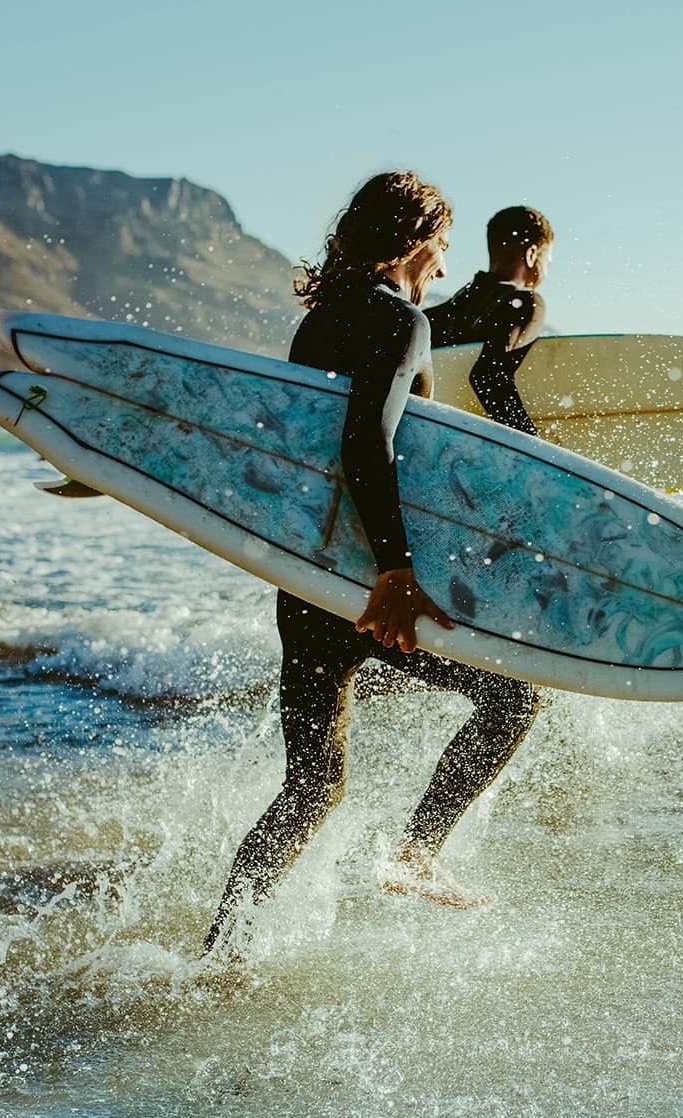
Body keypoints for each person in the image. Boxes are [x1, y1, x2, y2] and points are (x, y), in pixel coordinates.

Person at [202, 173, 540, 957]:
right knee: (513, 700)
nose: (445, 269)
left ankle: (220, 953)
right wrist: (395, 572)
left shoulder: (322, 322)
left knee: (312, 787)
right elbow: (367, 441)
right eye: (443, 249)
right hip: (369, 581)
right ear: (417, 241)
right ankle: (419, 852)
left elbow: (307, 447)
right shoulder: (398, 321)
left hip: (310, 578)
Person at [424, 205, 554, 435]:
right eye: (548, 262)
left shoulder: (438, 314)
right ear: (532, 254)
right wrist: (530, 443)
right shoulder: (525, 302)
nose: (546, 272)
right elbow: (488, 376)